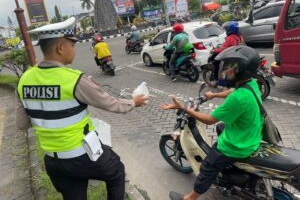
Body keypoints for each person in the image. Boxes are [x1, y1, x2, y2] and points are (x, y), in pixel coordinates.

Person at [15, 17, 148, 200]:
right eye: (72, 45)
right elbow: (112, 104)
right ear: (60, 47)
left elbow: (22, 124)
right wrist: (133, 102)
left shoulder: (24, 80)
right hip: (83, 155)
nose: (74, 50)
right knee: (116, 171)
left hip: (53, 162)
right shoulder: (74, 79)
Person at [160, 45, 263, 200]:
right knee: (221, 128)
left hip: (239, 146)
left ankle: (190, 197)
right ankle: (230, 169)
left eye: (231, 68)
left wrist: (184, 108)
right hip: (252, 135)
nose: (226, 71)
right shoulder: (251, 84)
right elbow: (231, 91)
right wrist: (214, 95)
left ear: (242, 71)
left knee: (207, 167)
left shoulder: (238, 98)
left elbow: (209, 120)